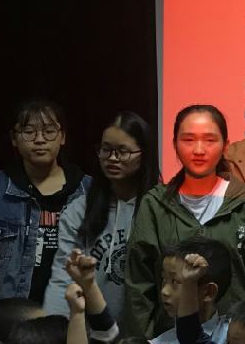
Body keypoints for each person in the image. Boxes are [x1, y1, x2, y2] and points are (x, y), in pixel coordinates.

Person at [124, 104, 245, 338]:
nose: (198, 150)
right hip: (169, 340)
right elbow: (139, 282)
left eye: (210, 140)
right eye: (188, 140)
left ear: (225, 145)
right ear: (174, 144)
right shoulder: (155, 204)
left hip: (235, 341)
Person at [0, 98, 90, 315]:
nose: (39, 140)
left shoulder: (88, 191)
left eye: (49, 131)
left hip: (72, 315)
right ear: (14, 138)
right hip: (7, 319)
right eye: (29, 132)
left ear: (63, 136)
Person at [43, 111, 160, 321]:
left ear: (144, 155)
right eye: (106, 149)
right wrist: (54, 330)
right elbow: (63, 277)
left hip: (148, 332)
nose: (112, 158)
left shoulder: (161, 208)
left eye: (123, 152)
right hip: (93, 331)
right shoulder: (80, 210)